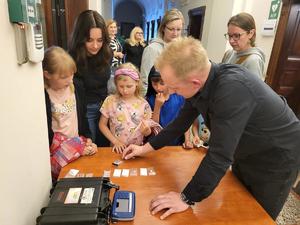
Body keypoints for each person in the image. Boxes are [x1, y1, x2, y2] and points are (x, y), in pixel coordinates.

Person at [122, 37, 300, 220]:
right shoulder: (199, 81)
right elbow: (178, 124)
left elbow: (220, 154)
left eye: (174, 88)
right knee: (237, 202)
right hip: (245, 149)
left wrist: (186, 198)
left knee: (257, 216)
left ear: (195, 82)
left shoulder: (231, 90)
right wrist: (144, 148)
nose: (171, 92)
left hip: (276, 157)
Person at [43, 46, 97, 181]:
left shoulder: (76, 87)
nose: (70, 80)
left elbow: (83, 116)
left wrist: (88, 138)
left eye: (71, 75)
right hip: (57, 150)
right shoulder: (43, 95)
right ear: (47, 74)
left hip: (77, 142)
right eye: (63, 77)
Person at [68, 10, 112, 147]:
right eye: (89, 40)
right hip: (85, 109)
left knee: (105, 146)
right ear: (80, 38)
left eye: (99, 40)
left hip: (105, 108)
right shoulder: (71, 58)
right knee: (89, 145)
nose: (95, 46)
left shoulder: (107, 53)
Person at [99, 63, 161, 153]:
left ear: (137, 83)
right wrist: (115, 141)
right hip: (116, 150)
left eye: (129, 86)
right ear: (116, 84)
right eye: (121, 86)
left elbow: (150, 130)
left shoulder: (144, 104)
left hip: (137, 150)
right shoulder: (110, 101)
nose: (125, 90)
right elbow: (102, 125)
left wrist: (147, 132)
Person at [140, 8, 184, 95]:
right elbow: (144, 80)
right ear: (163, 28)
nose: (175, 33)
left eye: (178, 29)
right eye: (171, 29)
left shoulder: (182, 49)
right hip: (156, 97)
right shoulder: (152, 49)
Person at [146, 66, 192, 148]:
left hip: (177, 145)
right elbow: (153, 128)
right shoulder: (149, 100)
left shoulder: (179, 96)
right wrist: (157, 107)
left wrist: (187, 140)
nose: (158, 88)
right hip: (156, 145)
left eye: (162, 83)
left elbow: (185, 121)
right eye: (154, 84)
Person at [222, 12, 266, 80]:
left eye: (236, 36)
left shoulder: (253, 60)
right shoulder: (229, 53)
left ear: (251, 33)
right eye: (230, 36)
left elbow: (253, 89)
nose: (231, 41)